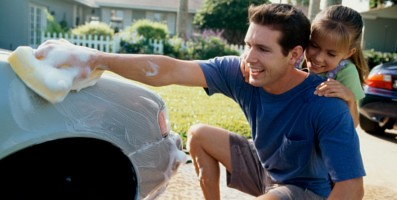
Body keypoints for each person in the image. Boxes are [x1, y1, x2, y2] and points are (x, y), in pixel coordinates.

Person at [34, 3, 365, 200]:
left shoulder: (326, 102)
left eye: (263, 49)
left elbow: (351, 189)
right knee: (199, 134)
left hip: (302, 189)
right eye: (248, 44)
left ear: (294, 55)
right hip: (264, 165)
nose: (249, 57)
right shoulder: (242, 71)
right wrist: (96, 58)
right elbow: (171, 69)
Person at [241, 5, 369, 127]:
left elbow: (352, 125)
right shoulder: (297, 55)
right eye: (314, 46)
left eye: (331, 54)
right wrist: (250, 63)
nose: (318, 58)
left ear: (348, 53)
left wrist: (350, 99)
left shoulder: (347, 72)